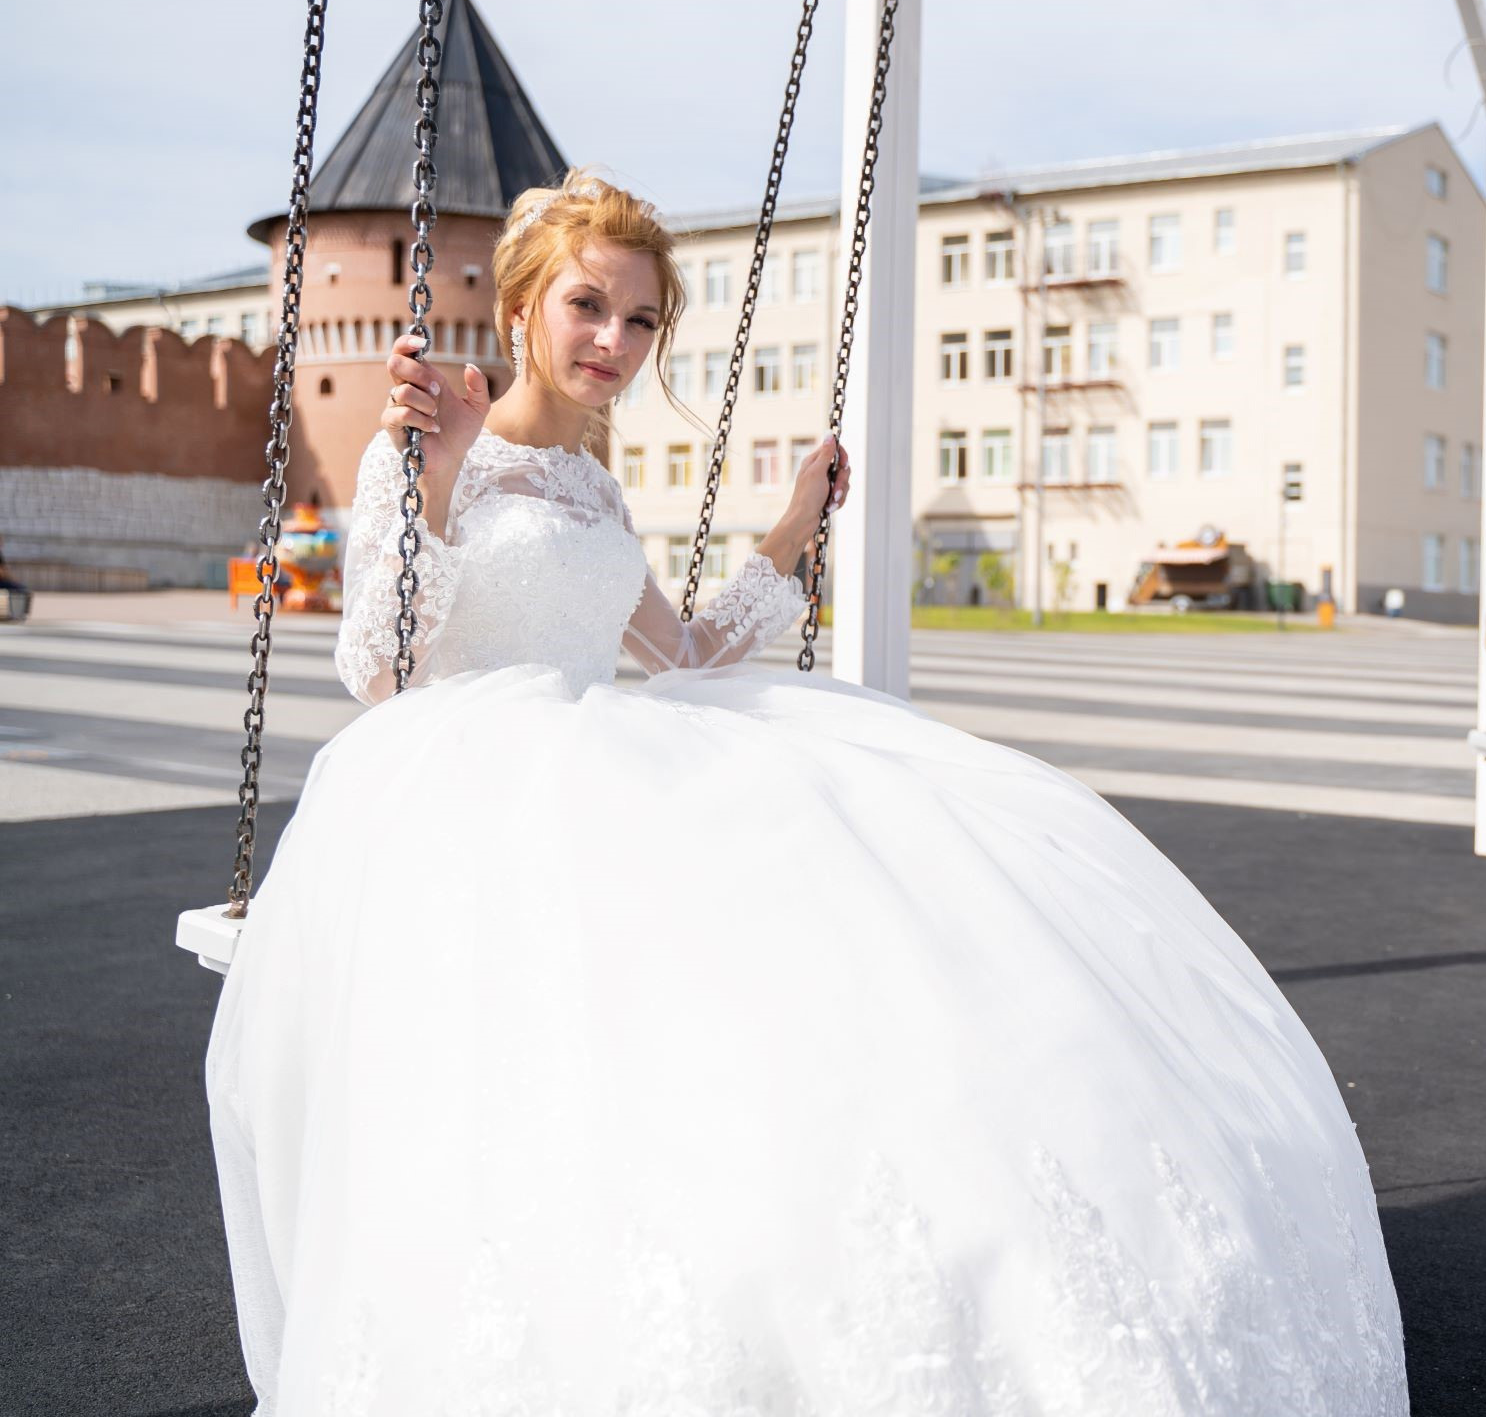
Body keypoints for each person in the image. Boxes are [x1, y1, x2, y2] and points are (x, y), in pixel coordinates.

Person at [204, 171, 1406, 1415]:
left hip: (606, 764)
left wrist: (784, 536)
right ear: (518, 306)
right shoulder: (424, 443)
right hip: (466, 792)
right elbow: (379, 672)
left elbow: (681, 654)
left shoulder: (594, 487)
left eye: (640, 320)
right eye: (586, 306)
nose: (613, 342)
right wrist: (445, 478)